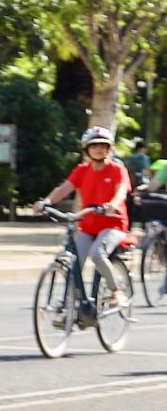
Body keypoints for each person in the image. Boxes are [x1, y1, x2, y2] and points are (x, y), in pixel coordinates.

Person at [35, 126, 131, 316]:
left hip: (113, 224)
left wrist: (112, 204)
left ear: (109, 148)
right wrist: (46, 202)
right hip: (87, 224)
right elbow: (64, 189)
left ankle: (116, 291)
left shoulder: (117, 170)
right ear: (86, 149)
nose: (99, 149)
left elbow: (121, 191)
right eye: (94, 146)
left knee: (97, 254)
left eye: (103, 146)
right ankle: (70, 308)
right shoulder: (82, 170)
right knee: (73, 261)